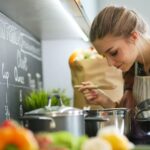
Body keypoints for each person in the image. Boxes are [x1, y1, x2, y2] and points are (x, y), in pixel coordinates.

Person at [78, 5, 150, 109]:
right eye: (104, 56)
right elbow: (134, 118)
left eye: (113, 52)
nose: (110, 63)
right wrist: (105, 101)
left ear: (134, 37)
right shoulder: (131, 69)